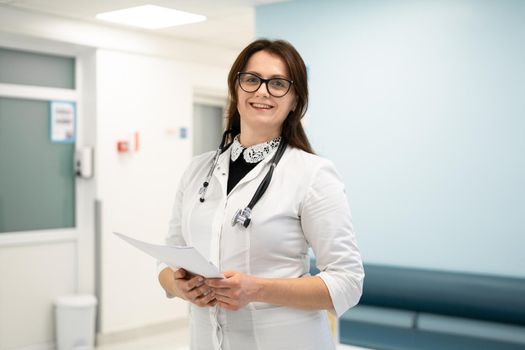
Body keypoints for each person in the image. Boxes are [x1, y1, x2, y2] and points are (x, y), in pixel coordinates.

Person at [158, 39, 364, 350]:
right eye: (252, 79)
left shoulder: (313, 174)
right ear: (236, 89)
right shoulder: (197, 170)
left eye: (278, 83)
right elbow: (167, 257)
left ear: (295, 100)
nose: (262, 91)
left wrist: (257, 290)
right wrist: (177, 284)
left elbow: (348, 282)